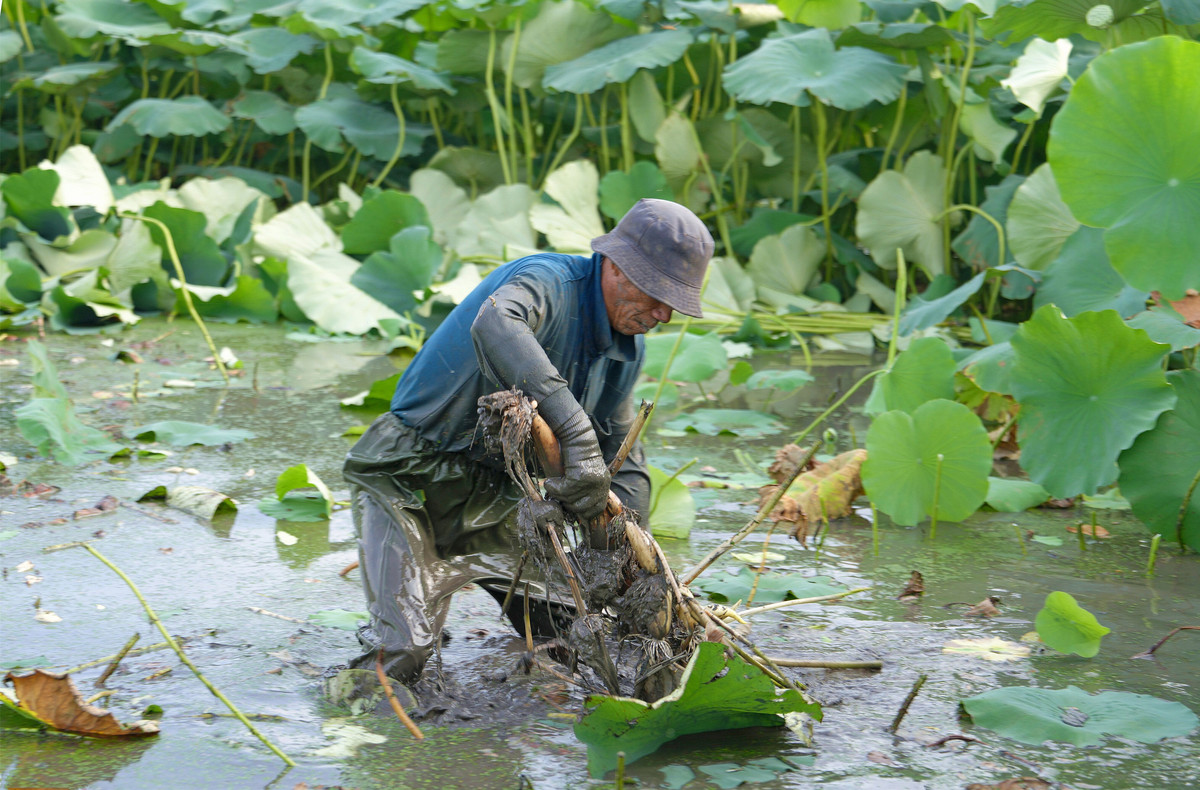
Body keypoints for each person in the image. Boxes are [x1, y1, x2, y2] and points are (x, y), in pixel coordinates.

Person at [343, 198, 715, 681]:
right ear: (618, 267)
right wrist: (576, 433)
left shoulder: (627, 348)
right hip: (407, 476)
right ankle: (359, 729)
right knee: (403, 653)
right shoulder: (549, 282)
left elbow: (622, 460)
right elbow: (496, 322)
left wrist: (638, 569)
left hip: (498, 498)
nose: (664, 314)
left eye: (675, 303)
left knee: (574, 636)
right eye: (657, 294)